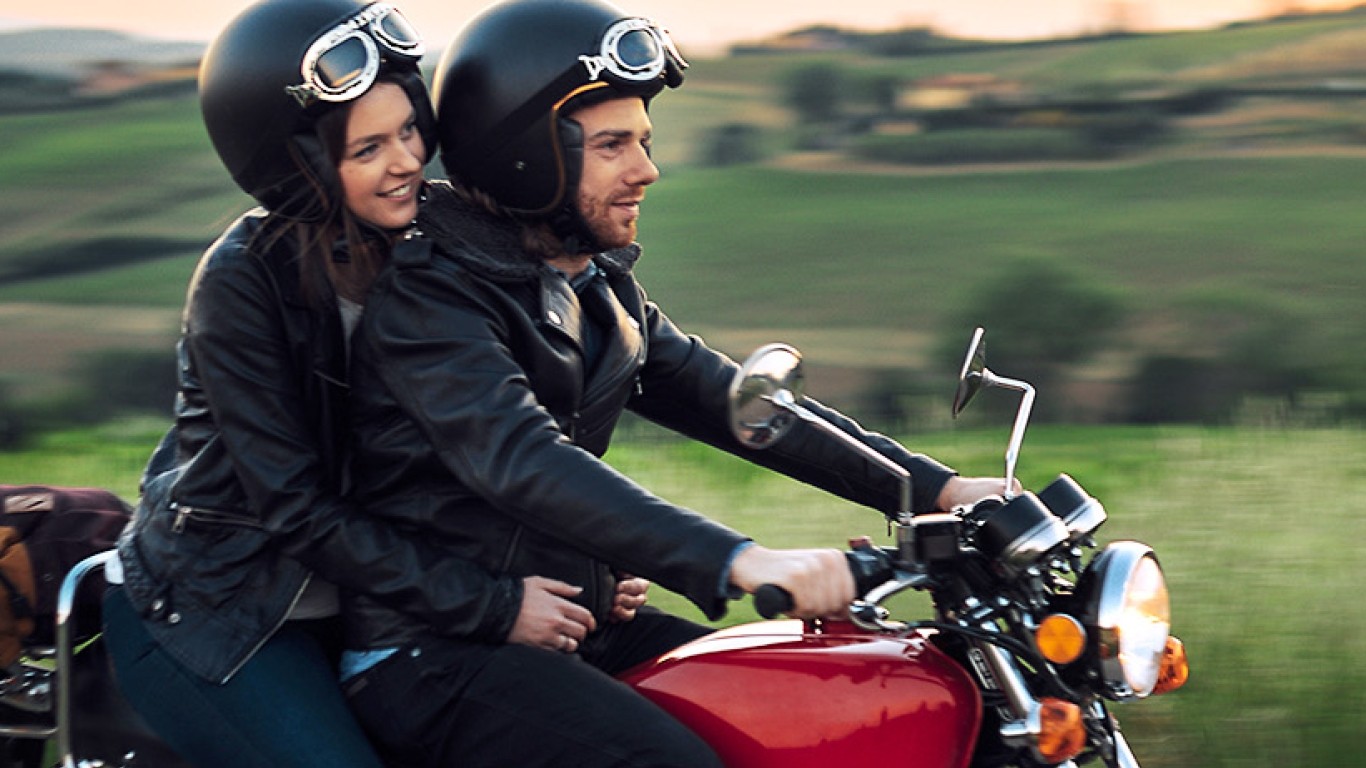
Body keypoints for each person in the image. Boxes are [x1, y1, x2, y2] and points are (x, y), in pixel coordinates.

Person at [338, 0, 1014, 765]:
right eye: (613, 145)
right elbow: (523, 460)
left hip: (576, 627)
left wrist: (937, 491)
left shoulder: (598, 289)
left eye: (645, 142)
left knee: (820, 702)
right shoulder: (433, 302)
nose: (646, 170)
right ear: (526, 154)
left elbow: (747, 409)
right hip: (435, 654)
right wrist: (740, 561)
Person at [99, 2, 547, 766]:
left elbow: (505, 434)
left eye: (409, 131)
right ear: (297, 166)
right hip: (222, 615)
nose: (406, 161)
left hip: (375, 608)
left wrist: (592, 565)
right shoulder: (243, 282)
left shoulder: (437, 245)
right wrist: (496, 605)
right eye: (367, 147)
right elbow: (297, 509)